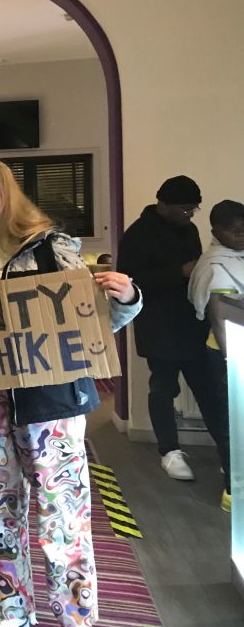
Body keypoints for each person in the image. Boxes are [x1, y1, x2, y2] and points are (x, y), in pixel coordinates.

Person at [0, 154, 140, 627]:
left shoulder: (52, 247)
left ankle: (77, 618)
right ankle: (11, 610)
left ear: (5, 190)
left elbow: (91, 323)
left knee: (63, 520)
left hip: (50, 402)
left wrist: (129, 300)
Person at [118, 175, 231, 491]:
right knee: (163, 388)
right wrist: (179, 272)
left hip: (193, 325)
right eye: (184, 209)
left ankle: (230, 457)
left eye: (193, 210)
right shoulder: (137, 235)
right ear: (163, 203)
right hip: (158, 326)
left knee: (211, 393)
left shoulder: (190, 230)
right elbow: (129, 282)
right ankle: (169, 450)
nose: (189, 215)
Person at [186, 199, 243, 511]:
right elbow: (220, 318)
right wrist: (229, 360)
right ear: (216, 231)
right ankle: (232, 492)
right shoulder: (215, 265)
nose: (240, 235)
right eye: (233, 230)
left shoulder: (238, 258)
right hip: (226, 353)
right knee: (233, 425)